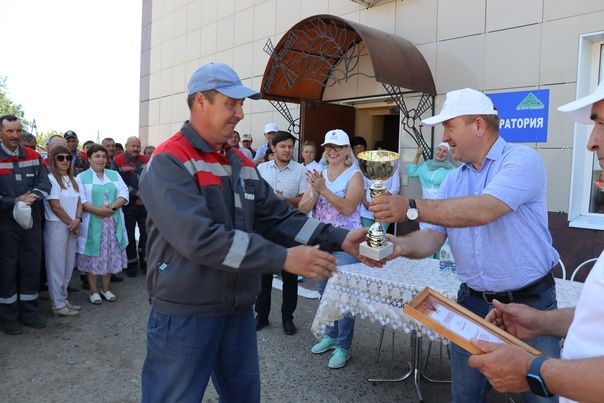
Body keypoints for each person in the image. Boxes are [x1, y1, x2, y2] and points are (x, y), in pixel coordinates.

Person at [138, 63, 375, 403]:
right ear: (200, 102)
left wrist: (338, 237)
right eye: (231, 104)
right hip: (185, 310)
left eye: (241, 104)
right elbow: (199, 239)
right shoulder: (169, 160)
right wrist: (282, 257)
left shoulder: (240, 162)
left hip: (236, 308)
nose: (240, 112)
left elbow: (278, 217)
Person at [370, 88, 561, 403]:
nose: (444, 136)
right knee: (465, 396)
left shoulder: (522, 160)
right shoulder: (453, 180)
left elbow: (483, 210)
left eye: (450, 126)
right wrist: (399, 246)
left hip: (531, 306)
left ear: (478, 125)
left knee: (539, 396)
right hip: (472, 305)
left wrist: (410, 206)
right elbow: (433, 235)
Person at [467, 80, 604, 403]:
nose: (591, 142)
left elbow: (485, 210)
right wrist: (542, 322)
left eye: (602, 123)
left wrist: (534, 371)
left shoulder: (522, 161)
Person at [299, 129, 365, 369]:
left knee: (344, 295)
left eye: (337, 147)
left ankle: (343, 346)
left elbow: (348, 208)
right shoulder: (317, 173)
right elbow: (303, 209)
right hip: (320, 240)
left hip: (346, 242)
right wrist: (315, 192)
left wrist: (323, 189)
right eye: (328, 147)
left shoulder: (355, 175)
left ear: (347, 150)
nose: (332, 151)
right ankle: (330, 333)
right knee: (324, 291)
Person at [0, 114, 51, 335]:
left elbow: (45, 183)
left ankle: (29, 313)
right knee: (7, 270)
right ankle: (9, 317)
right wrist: (14, 201)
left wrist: (33, 196)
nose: (15, 135)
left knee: (30, 268)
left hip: (31, 223)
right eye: (10, 131)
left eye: (18, 130)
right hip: (5, 225)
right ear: (1, 132)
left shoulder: (33, 156)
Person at [255, 131, 308, 335]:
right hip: (266, 229)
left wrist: (283, 200)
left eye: (290, 147)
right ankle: (262, 316)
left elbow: (303, 200)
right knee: (263, 276)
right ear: (273, 148)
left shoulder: (300, 170)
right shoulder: (261, 169)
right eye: (283, 146)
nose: (287, 150)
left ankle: (288, 317)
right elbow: (256, 197)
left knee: (290, 276)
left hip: (290, 228)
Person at [76, 143, 128, 305]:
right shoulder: (81, 177)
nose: (101, 159)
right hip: (93, 223)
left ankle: (105, 289)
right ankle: (93, 291)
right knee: (93, 257)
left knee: (109, 255)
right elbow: (82, 201)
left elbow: (124, 194)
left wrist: (111, 207)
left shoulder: (114, 175)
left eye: (103, 156)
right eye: (97, 156)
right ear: (89, 158)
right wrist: (98, 211)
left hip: (112, 223)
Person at [43, 145, 82, 317]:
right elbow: (55, 206)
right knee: (56, 267)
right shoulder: (51, 179)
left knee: (67, 266)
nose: (65, 160)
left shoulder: (72, 180)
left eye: (67, 157)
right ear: (53, 159)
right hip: (57, 226)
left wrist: (78, 220)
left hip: (72, 225)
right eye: (60, 157)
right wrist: (72, 223)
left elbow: (80, 201)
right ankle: (57, 304)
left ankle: (63, 299)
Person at [111, 136, 149, 277]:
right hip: (127, 205)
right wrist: (136, 194)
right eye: (133, 146)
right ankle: (131, 264)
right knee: (129, 235)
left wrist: (143, 195)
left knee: (146, 234)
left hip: (145, 204)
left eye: (138, 146)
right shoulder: (118, 161)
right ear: (126, 146)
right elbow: (117, 183)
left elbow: (152, 178)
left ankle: (145, 262)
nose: (136, 149)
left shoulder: (146, 160)